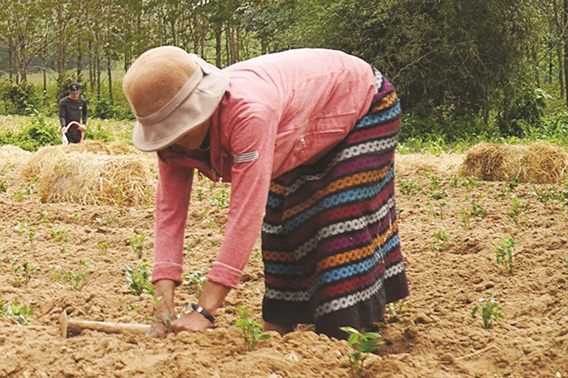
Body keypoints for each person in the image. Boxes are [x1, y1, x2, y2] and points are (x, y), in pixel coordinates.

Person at [124, 46, 408, 341]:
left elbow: (245, 213)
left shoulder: (248, 114)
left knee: (336, 216)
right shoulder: (171, 146)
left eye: (179, 129)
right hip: (296, 128)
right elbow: (169, 214)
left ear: (203, 107)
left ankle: (347, 329)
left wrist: (205, 310)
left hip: (362, 102)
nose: (175, 141)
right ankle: (283, 323)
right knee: (279, 220)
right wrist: (163, 305)